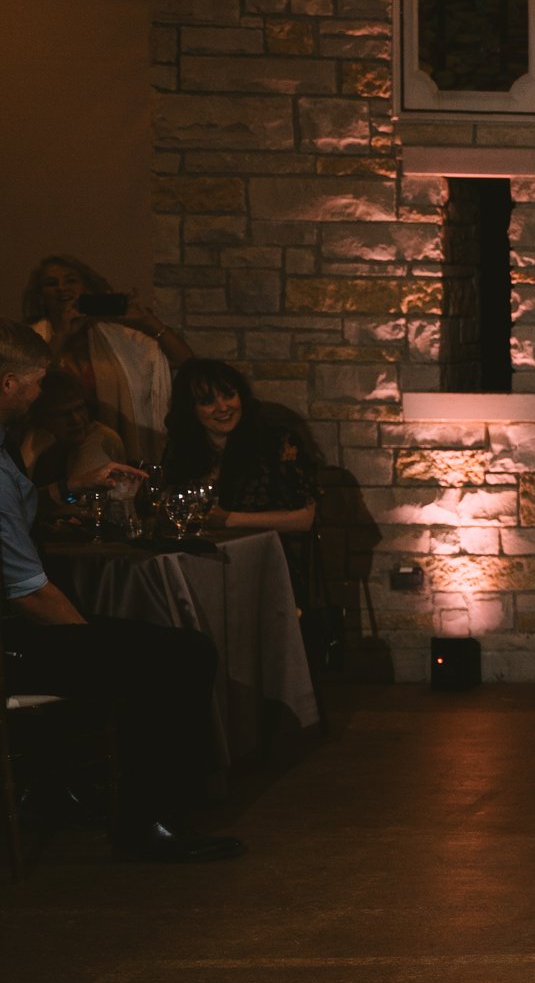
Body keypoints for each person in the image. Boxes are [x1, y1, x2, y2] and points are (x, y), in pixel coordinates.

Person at [0, 320, 240, 863]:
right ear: (9, 383)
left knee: (142, 640)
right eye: (37, 383)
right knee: (179, 654)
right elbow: (29, 593)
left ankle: (80, 788)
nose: (42, 396)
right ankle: (148, 821)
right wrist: (89, 641)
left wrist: (71, 488)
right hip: (9, 642)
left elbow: (16, 513)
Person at [23, 255, 191, 463]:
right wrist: (61, 335)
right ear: (41, 296)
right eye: (51, 283)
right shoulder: (30, 339)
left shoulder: (117, 338)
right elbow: (29, 381)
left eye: (70, 281)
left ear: (85, 287)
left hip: (116, 447)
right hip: (51, 453)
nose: (62, 288)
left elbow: (186, 363)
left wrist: (149, 322)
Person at [161, 359, 316, 535]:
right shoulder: (182, 448)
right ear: (190, 409)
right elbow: (168, 508)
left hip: (262, 553)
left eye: (228, 395)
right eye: (207, 401)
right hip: (197, 553)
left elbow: (305, 519)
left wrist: (228, 519)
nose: (222, 407)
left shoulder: (275, 442)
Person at [15, 370, 126, 501]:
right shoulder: (23, 437)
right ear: (40, 419)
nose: (77, 420)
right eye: (63, 414)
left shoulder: (100, 438)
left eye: (80, 408)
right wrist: (29, 454)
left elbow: (78, 502)